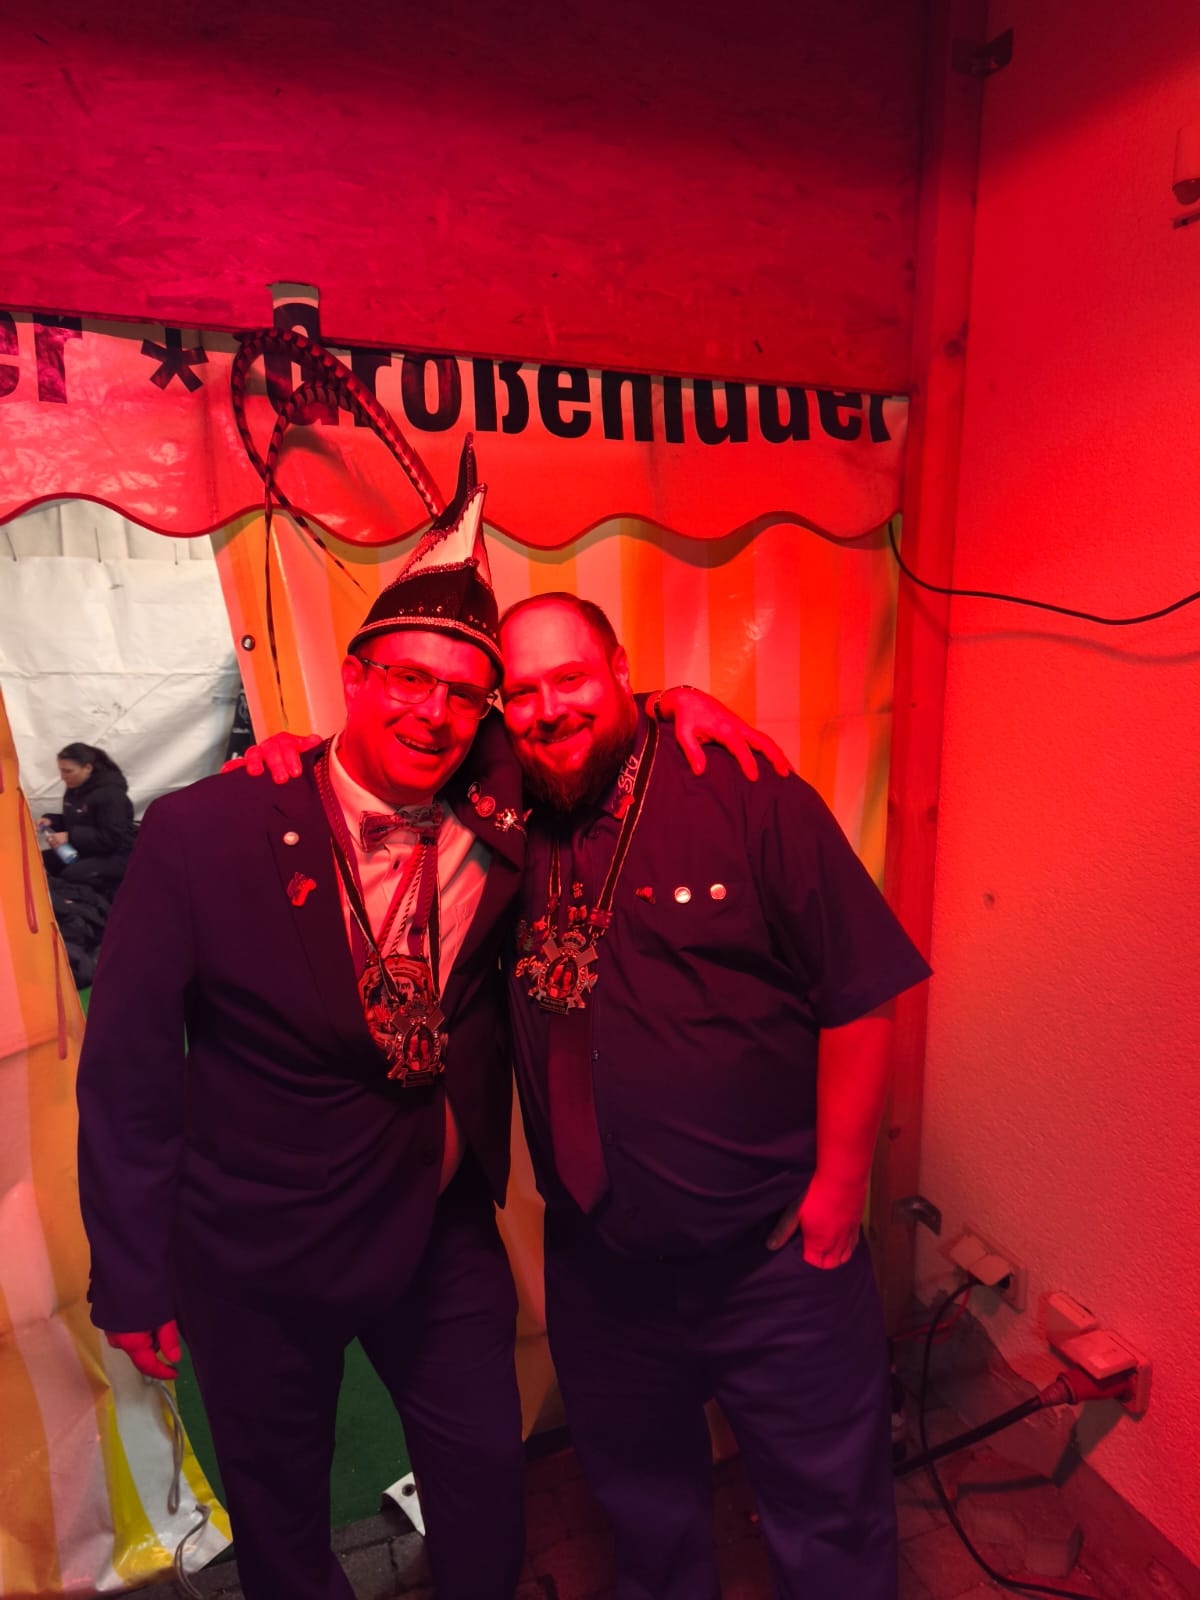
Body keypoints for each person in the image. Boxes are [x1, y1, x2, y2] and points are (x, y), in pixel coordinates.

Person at [76, 452, 781, 1600]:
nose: (433, 712)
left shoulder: (497, 792)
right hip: (259, 1247)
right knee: (281, 1511)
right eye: (408, 678)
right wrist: (130, 1273)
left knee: (484, 1484)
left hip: (437, 1227)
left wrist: (664, 705)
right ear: (353, 678)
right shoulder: (206, 832)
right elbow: (129, 1071)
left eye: (463, 693)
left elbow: (579, 723)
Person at [498, 593, 932, 1600]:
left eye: (571, 678)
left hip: (773, 1260)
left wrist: (839, 1192)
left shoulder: (743, 790)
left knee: (831, 1518)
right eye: (521, 692)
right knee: (644, 1519)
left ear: (619, 671)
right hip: (602, 1271)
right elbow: (400, 744)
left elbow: (860, 994)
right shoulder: (502, 811)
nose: (548, 709)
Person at [40, 741, 137, 890]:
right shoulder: (76, 787)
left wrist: (70, 837)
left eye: (68, 771)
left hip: (117, 854)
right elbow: (77, 819)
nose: (62, 777)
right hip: (88, 847)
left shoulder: (111, 795)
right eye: (61, 771)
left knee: (71, 875)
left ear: (87, 768)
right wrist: (51, 821)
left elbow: (112, 838)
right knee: (39, 861)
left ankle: (103, 898)